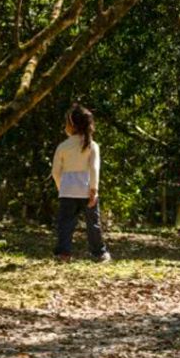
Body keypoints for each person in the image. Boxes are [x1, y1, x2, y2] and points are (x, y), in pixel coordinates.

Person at [51, 104, 110, 263]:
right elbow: (94, 168)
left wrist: (61, 187)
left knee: (65, 224)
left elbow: (56, 172)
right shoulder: (93, 146)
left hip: (67, 191)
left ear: (72, 125)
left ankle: (63, 254)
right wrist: (94, 189)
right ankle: (99, 253)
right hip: (86, 190)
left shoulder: (63, 146)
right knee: (93, 224)